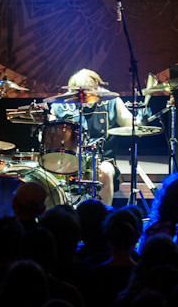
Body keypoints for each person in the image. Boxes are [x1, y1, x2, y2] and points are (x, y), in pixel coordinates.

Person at [47, 68, 133, 205]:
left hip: (103, 160)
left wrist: (139, 121)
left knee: (105, 172)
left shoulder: (111, 101)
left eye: (91, 91)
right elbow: (49, 136)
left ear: (98, 87)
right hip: (68, 159)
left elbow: (130, 124)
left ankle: (103, 216)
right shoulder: (60, 106)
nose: (86, 96)